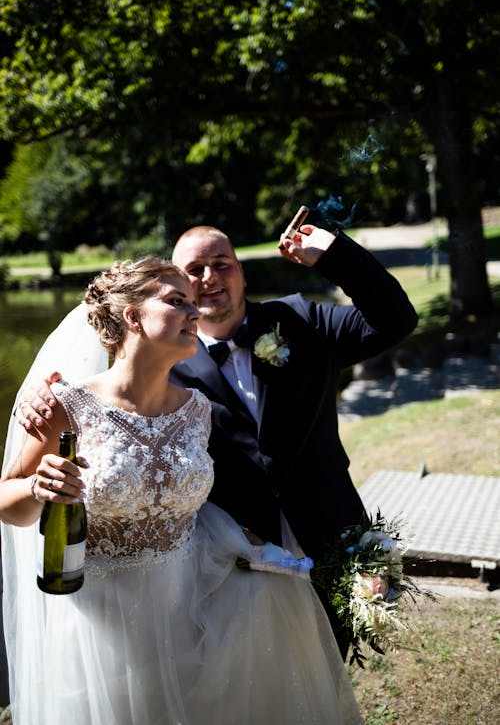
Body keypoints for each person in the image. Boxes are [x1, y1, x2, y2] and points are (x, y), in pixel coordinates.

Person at [16, 219, 418, 657]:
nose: (209, 277)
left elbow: (396, 320)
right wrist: (41, 391)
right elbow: (104, 397)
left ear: (242, 273)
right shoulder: (165, 361)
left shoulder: (302, 319)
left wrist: (334, 255)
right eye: (195, 269)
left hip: (329, 532)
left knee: (326, 670)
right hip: (231, 564)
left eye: (222, 264)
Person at [1, 257, 362, 725]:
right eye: (176, 302)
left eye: (193, 304)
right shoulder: (64, 406)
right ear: (131, 316)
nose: (195, 313)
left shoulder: (197, 410)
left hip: (190, 606)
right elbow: (9, 506)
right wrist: (36, 485)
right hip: (102, 628)